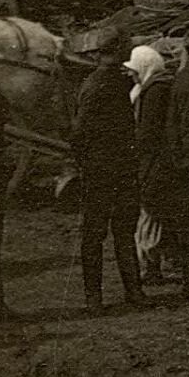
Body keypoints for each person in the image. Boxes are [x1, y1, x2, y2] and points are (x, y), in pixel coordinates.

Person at [71, 48, 149, 312]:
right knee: (105, 233)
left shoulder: (107, 82)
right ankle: (103, 296)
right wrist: (88, 163)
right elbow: (79, 134)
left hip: (115, 168)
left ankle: (122, 292)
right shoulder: (97, 85)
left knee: (114, 232)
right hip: (103, 169)